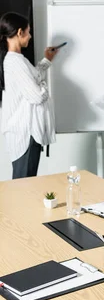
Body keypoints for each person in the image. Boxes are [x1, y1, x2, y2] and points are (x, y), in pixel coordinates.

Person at [0, 12, 58, 179]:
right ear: (19, 32)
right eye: (28, 31)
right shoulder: (15, 62)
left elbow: (33, 78)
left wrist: (47, 60)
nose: (30, 36)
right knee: (23, 184)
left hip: (25, 131)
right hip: (24, 132)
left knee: (25, 182)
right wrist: (44, 87)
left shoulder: (18, 60)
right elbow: (37, 96)